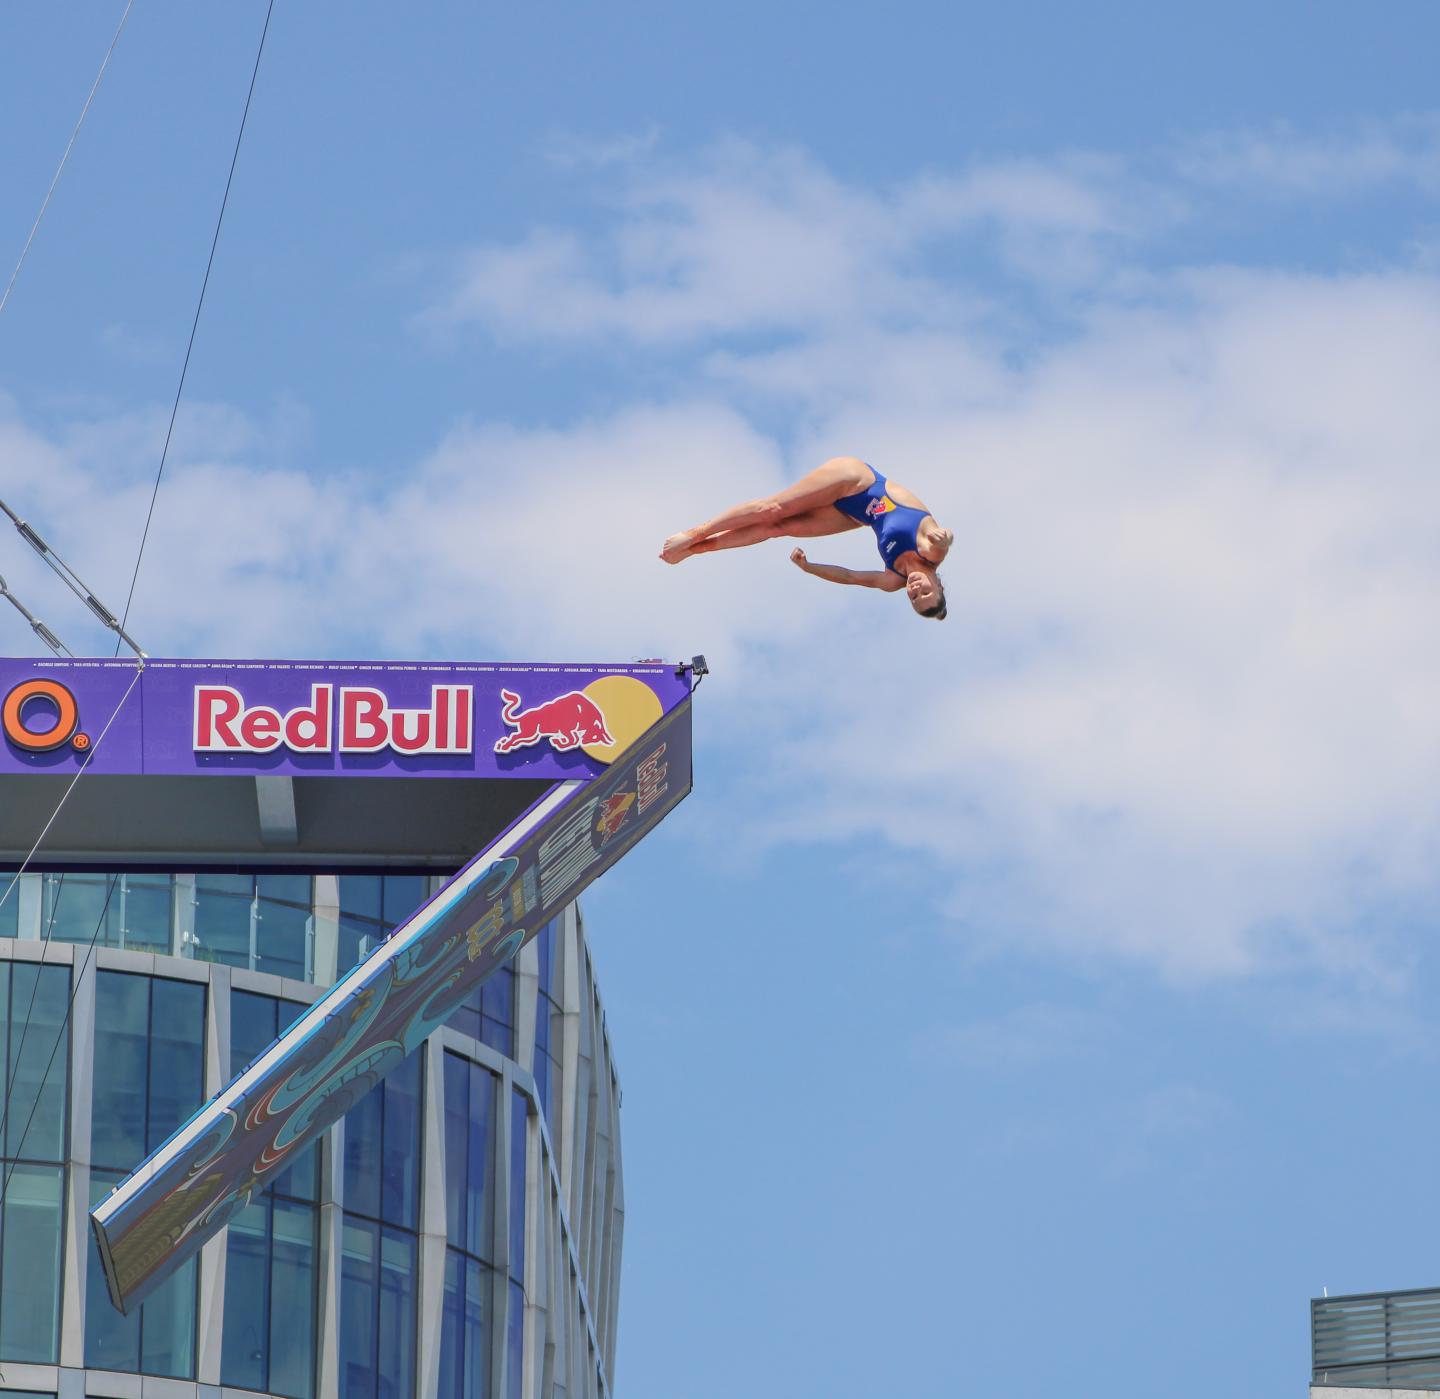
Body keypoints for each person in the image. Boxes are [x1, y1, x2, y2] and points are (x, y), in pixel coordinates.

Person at [660, 456, 952, 619]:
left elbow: (849, 577)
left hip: (855, 513)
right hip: (857, 479)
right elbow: (942, 543)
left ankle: (698, 549)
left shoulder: (893, 580)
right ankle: (696, 533)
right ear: (937, 584)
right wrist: (944, 538)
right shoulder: (929, 552)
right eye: (925, 592)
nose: (915, 590)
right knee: (774, 509)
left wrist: (809, 567)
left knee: (778, 528)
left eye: (914, 598)